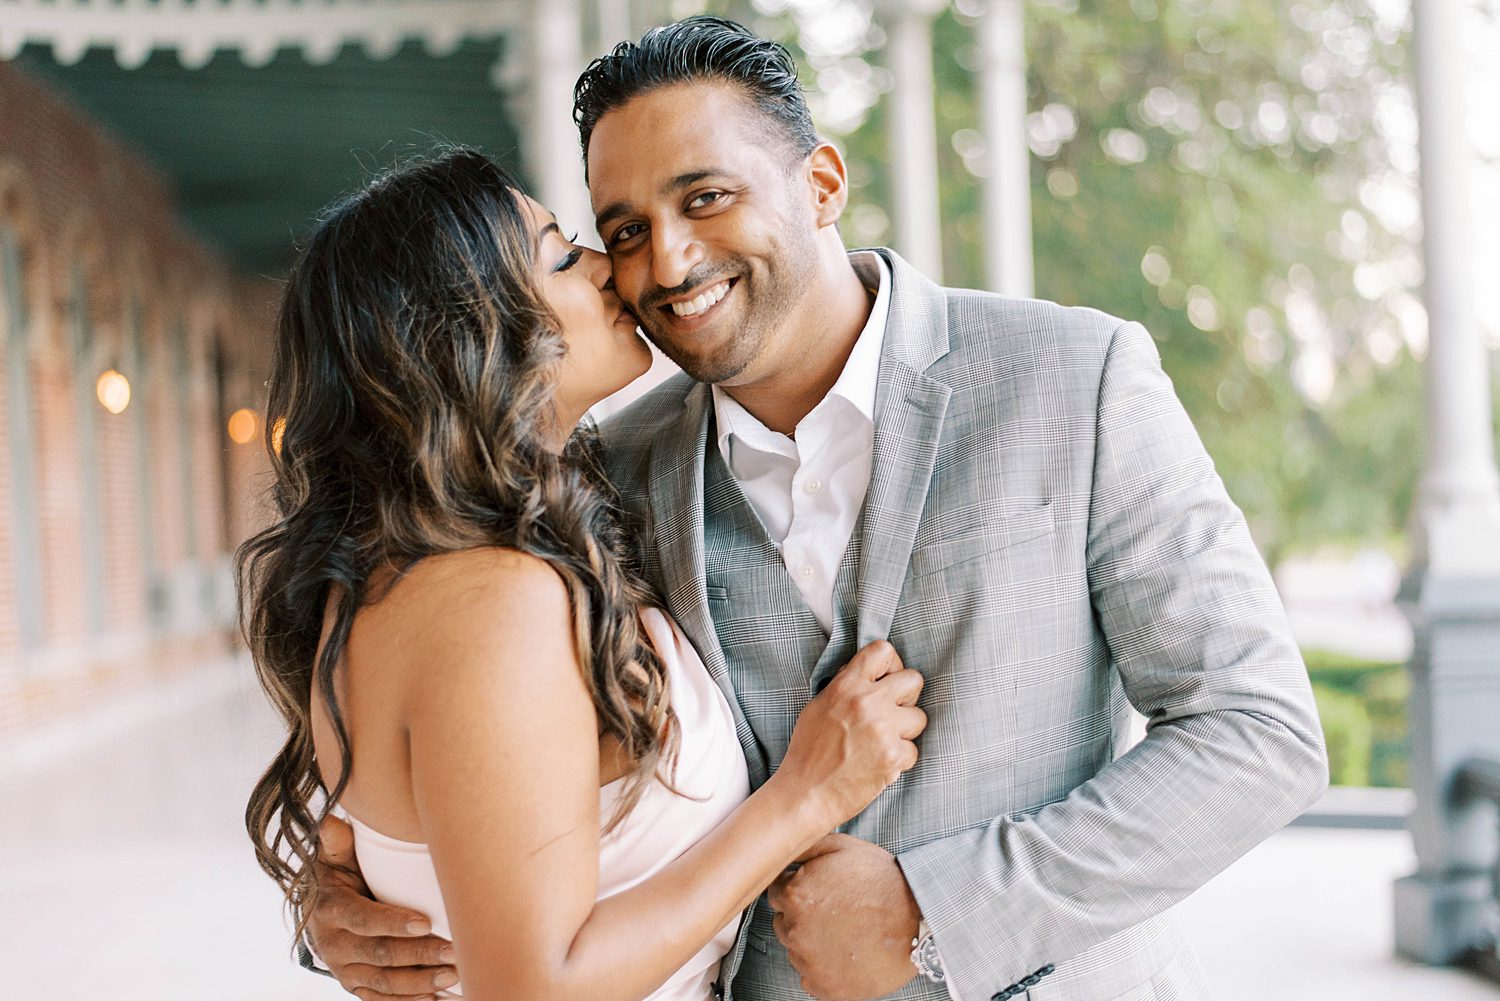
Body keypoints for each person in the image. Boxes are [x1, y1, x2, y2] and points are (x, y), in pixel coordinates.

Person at [306, 17, 1328, 1001]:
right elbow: (467, 764)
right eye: (621, 231)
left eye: (705, 196)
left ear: (823, 183)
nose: (664, 262)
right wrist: (342, 896)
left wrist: (942, 909)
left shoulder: (1076, 376)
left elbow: (1257, 731)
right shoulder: (598, 478)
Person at [241, 147, 930, 1001]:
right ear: (470, 336)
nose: (613, 269)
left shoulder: (425, 565)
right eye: (565, 255)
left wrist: (329, 897)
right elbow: (534, 984)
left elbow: (411, 856)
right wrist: (804, 795)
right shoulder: (491, 600)